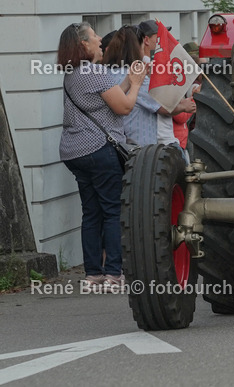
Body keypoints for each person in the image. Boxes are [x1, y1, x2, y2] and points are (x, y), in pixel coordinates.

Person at [58, 22, 146, 293]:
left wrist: (127, 82)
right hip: (98, 149)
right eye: (94, 36)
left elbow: (107, 98)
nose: (100, 40)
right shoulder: (95, 71)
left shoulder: (74, 73)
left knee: (91, 212)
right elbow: (125, 106)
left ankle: (93, 274)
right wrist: (137, 84)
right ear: (83, 44)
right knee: (112, 210)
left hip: (74, 152)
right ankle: (113, 275)